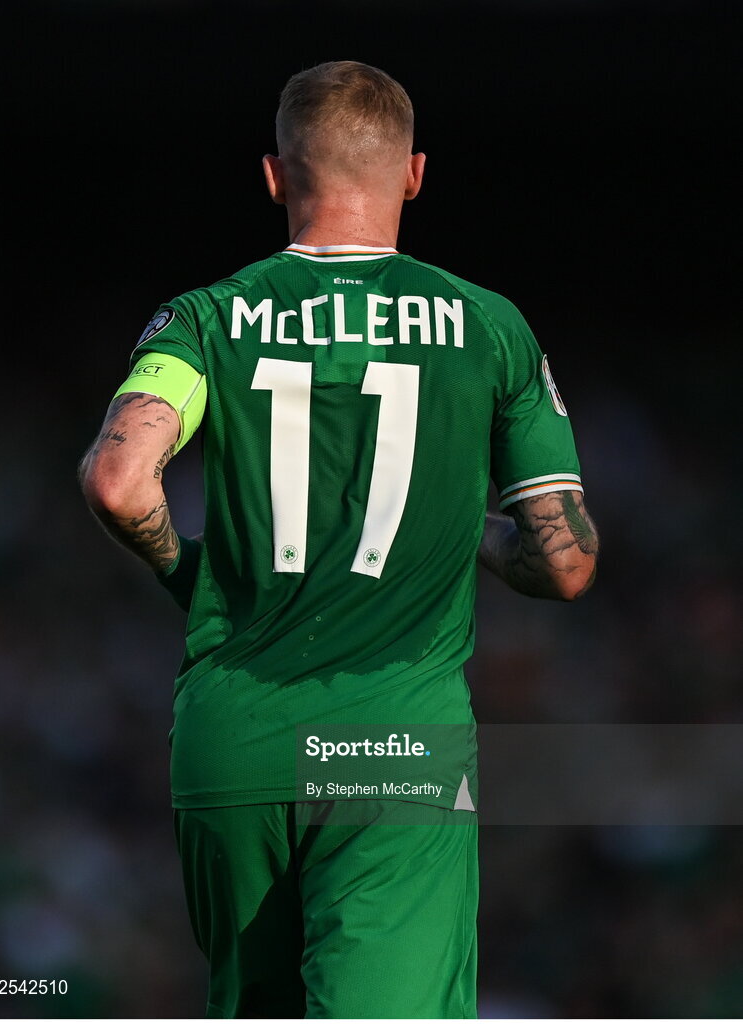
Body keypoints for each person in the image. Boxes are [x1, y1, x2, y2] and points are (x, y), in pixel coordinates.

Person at [79, 60, 598, 1019]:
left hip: (230, 737)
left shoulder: (203, 318)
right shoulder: (488, 328)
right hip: (392, 737)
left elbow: (119, 482)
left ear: (276, 177)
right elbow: (563, 561)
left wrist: (182, 570)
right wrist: (464, 531)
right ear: (412, 175)